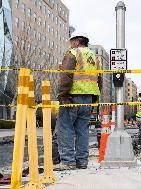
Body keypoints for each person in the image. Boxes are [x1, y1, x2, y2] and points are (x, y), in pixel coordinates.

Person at [56, 32, 102, 170]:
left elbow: (66, 75)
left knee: (65, 128)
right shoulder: (94, 57)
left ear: (76, 42)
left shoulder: (73, 53)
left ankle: (68, 161)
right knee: (82, 130)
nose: (70, 44)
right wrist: (95, 98)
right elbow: (99, 79)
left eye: (71, 42)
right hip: (88, 98)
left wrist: (63, 95)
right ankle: (82, 162)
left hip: (72, 97)